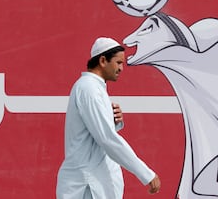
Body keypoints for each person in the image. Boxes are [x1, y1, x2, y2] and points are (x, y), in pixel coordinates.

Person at [56, 37, 161, 199]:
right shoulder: (89, 89)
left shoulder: (93, 88)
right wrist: (145, 173)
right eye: (118, 63)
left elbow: (97, 133)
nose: (121, 68)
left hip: (94, 184)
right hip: (88, 186)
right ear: (103, 60)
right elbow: (106, 138)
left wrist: (113, 122)